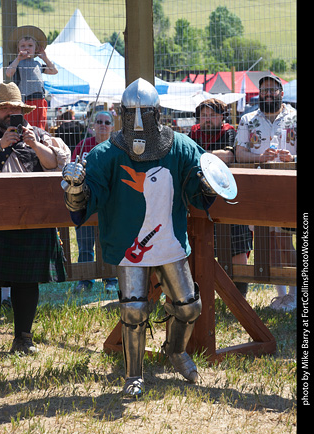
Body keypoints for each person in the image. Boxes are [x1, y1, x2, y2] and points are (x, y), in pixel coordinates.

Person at [61, 78, 222, 397]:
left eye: (144, 112)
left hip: (169, 242)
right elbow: (83, 203)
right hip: (129, 243)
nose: (137, 121)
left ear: (157, 113)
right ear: (121, 112)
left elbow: (197, 188)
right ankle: (134, 375)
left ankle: (176, 351)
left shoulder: (180, 146)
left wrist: (206, 183)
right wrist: (76, 187)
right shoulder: (105, 154)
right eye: (131, 112)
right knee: (133, 310)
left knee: (189, 307)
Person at [0, 82, 70, 354]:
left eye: (14, 107)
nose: (9, 112)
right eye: (4, 107)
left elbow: (56, 164)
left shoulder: (36, 134)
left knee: (27, 282)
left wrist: (35, 145)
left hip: (32, 217)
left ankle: (23, 338)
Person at [235, 74, 297, 311]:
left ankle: (295, 292)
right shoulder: (247, 119)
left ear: (281, 92)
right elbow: (240, 153)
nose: (268, 94)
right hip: (259, 187)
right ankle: (280, 295)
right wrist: (259, 158)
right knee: (266, 241)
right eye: (264, 90)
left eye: (273, 90)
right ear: (259, 94)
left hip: (287, 186)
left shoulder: (294, 117)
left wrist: (292, 159)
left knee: (283, 239)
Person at [189, 98, 253, 298]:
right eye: (204, 115)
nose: (207, 119)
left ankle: (239, 295)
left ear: (221, 116)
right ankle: (198, 293)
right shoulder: (193, 132)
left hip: (227, 195)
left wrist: (201, 155)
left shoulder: (228, 131)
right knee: (199, 242)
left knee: (237, 242)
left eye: (212, 115)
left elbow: (228, 155)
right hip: (200, 195)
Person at [71, 110, 118, 293]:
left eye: (107, 122)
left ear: (113, 127)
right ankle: (85, 280)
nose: (103, 125)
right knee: (85, 243)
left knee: (109, 241)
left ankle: (111, 279)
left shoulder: (116, 147)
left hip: (110, 203)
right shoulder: (83, 145)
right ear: (93, 126)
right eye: (99, 121)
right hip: (86, 200)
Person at [6, 25, 58, 130]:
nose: (26, 48)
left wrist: (44, 57)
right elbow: (8, 73)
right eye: (23, 46)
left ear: (36, 49)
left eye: (30, 46)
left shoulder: (38, 63)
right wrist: (18, 58)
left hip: (40, 99)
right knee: (27, 127)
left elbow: (54, 71)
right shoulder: (17, 63)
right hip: (26, 100)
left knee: (40, 127)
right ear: (18, 49)